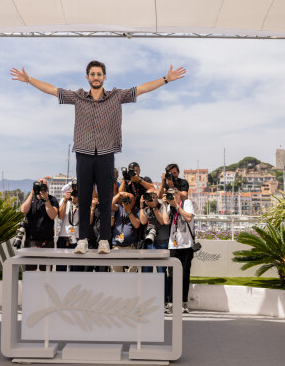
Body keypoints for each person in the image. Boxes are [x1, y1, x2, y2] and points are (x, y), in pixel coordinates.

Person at [10, 61, 186, 255]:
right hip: (83, 153)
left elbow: (141, 89)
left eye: (99, 74)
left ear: (104, 77)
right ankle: (83, 240)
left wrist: (166, 79)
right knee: (84, 199)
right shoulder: (78, 97)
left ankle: (104, 241)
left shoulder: (115, 96)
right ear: (87, 77)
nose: (96, 77)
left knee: (105, 198)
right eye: (92, 74)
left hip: (106, 153)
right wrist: (29, 80)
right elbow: (53, 90)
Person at [162, 187, 195, 313]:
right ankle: (170, 303)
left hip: (186, 245)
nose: (171, 197)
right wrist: (165, 205)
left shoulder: (187, 203)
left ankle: (184, 302)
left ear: (178, 195)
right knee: (172, 275)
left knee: (185, 275)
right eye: (168, 195)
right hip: (173, 245)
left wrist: (177, 206)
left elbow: (188, 218)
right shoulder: (170, 207)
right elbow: (165, 221)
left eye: (172, 195)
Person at [139, 188, 170, 310]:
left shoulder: (163, 206)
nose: (148, 198)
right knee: (147, 273)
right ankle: (147, 300)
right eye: (146, 196)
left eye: (150, 196)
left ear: (156, 196)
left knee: (161, 273)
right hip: (149, 243)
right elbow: (142, 221)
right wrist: (142, 206)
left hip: (161, 243)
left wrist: (154, 208)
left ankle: (164, 301)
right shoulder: (146, 209)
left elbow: (162, 221)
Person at [20, 178, 59, 271]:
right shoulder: (30, 198)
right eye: (39, 185)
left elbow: (52, 215)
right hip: (31, 240)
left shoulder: (52, 199)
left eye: (44, 185)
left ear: (47, 187)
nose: (41, 188)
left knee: (46, 272)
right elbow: (23, 210)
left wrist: (46, 200)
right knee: (30, 271)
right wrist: (32, 192)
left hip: (47, 241)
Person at [110, 192, 140, 272]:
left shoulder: (137, 211)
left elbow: (137, 225)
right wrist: (119, 195)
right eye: (126, 200)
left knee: (132, 274)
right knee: (116, 273)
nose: (128, 203)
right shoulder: (119, 208)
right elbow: (109, 206)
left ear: (134, 202)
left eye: (130, 201)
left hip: (131, 246)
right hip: (117, 246)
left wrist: (129, 212)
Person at [56, 190, 82, 272]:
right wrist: (65, 200)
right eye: (72, 194)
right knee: (60, 267)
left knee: (76, 269)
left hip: (77, 238)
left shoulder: (82, 203)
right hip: (64, 237)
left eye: (76, 194)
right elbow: (60, 216)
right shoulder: (65, 202)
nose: (73, 196)